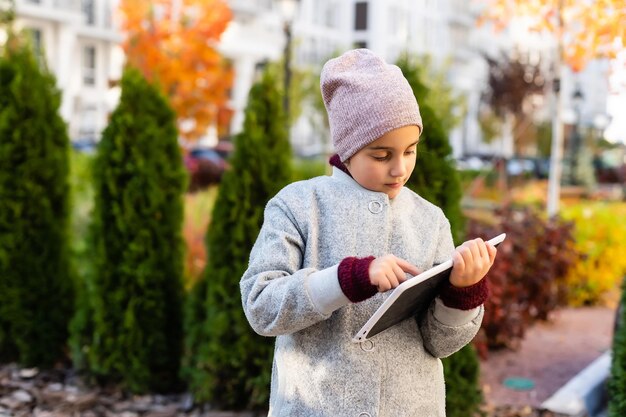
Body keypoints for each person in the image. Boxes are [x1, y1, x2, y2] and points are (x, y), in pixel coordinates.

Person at [240, 49, 498, 417]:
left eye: (410, 151)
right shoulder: (298, 205)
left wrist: (462, 293)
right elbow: (260, 305)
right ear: (346, 148)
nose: (400, 169)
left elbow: (441, 343)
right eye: (381, 155)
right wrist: (347, 280)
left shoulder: (430, 219)